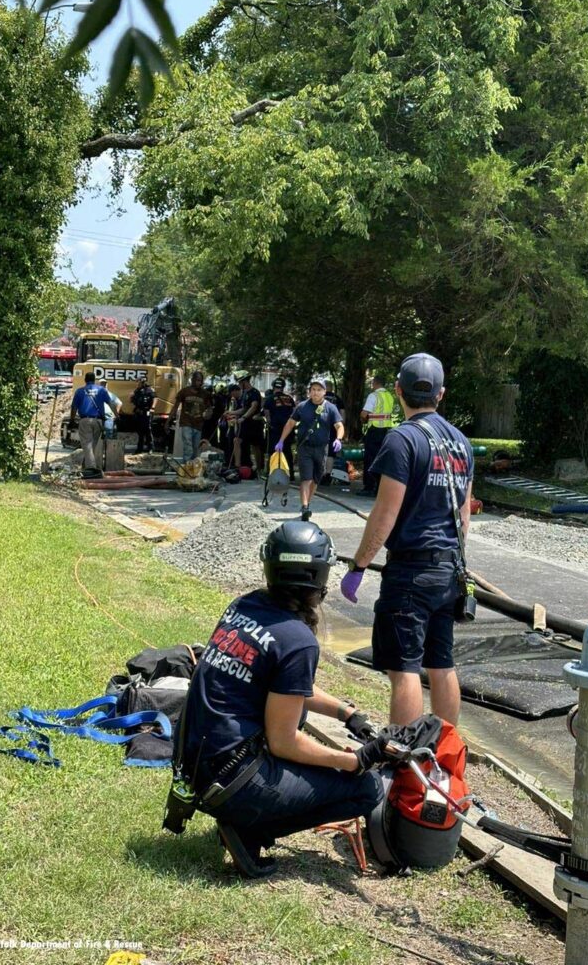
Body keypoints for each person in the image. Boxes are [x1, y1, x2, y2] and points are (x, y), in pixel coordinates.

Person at [167, 520, 388, 877]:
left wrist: (347, 714)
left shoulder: (245, 606)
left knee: (299, 728)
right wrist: (353, 761)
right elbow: (284, 742)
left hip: (197, 767)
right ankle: (250, 827)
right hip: (232, 781)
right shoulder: (298, 639)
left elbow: (285, 686)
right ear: (319, 576)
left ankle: (246, 815)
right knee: (367, 788)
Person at [340, 353, 474, 727]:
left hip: (410, 572)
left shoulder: (402, 440)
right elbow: (464, 517)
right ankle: (445, 755)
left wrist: (359, 566)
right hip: (448, 568)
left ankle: (403, 758)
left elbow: (385, 515)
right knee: (441, 663)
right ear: (441, 394)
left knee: (404, 670)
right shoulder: (461, 442)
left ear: (398, 390)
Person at [275, 379, 344, 521]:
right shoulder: (302, 406)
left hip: (321, 448)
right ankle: (305, 507)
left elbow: (339, 426)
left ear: (324, 392)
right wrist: (281, 441)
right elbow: (290, 423)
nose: (316, 392)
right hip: (304, 448)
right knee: (306, 478)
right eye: (313, 389)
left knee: (316, 479)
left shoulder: (330, 408)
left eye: (319, 390)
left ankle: (308, 502)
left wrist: (339, 438)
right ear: (309, 391)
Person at [68, 371, 116, 471]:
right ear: (94, 380)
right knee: (91, 446)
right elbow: (111, 403)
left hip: (85, 421)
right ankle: (85, 467)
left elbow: (74, 407)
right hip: (98, 421)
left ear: (85, 380)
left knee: (87, 445)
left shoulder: (80, 391)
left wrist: (72, 420)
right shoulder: (102, 390)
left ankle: (91, 468)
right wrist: (117, 416)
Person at [357, 375, 395, 497]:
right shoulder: (390, 396)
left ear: (375, 383)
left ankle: (369, 486)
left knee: (370, 459)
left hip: (374, 430)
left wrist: (363, 420)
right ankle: (379, 487)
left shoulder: (373, 396)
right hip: (387, 431)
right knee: (382, 459)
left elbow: (364, 414)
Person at [169, 371, 211, 463]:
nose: (199, 383)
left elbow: (209, 408)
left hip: (198, 424)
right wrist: (168, 420)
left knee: (196, 448)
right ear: (192, 380)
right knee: (188, 446)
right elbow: (175, 406)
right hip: (186, 422)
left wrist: (208, 414)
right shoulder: (184, 392)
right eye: (197, 380)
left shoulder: (205, 394)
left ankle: (194, 467)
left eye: (200, 381)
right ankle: (187, 466)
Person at [263, 377, 295, 477]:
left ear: (273, 387)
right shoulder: (289, 398)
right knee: (287, 451)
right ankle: (290, 474)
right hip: (288, 428)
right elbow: (294, 413)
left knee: (273, 450)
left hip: (275, 429)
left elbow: (267, 415)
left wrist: (269, 424)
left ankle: (272, 473)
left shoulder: (269, 399)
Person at [322, 386, 346, 487]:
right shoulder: (337, 398)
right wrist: (342, 424)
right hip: (334, 425)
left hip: (322, 425)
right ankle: (328, 474)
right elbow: (343, 412)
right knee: (331, 452)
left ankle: (321, 473)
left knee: (321, 448)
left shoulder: (320, 397)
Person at [131, 377, 156, 454]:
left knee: (148, 429)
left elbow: (155, 398)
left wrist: (152, 408)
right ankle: (139, 448)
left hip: (147, 412)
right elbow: (133, 401)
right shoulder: (137, 391)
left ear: (142, 382)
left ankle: (150, 448)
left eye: (138, 382)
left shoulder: (149, 390)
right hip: (139, 413)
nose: (137, 384)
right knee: (140, 431)